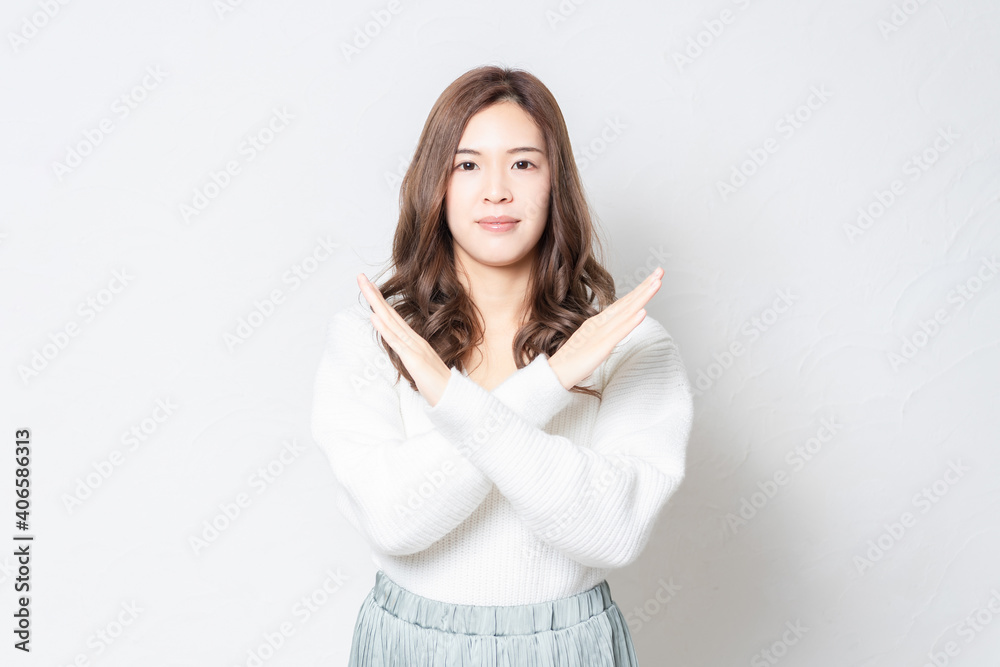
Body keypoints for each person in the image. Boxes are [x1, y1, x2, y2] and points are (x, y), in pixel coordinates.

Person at [310, 64, 693, 666]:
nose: (496, 191)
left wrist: (459, 402)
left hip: (566, 647)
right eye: (467, 165)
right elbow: (392, 520)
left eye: (523, 164)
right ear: (434, 184)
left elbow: (612, 533)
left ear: (555, 184)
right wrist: (547, 386)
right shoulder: (373, 338)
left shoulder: (628, 346)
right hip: (411, 645)